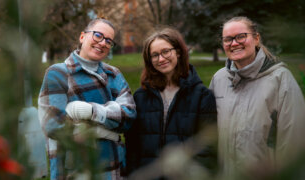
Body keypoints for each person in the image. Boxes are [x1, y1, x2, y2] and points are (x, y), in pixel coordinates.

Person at [38, 18, 136, 180]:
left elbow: (129, 116)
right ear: (82, 37)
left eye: (109, 41)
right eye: (98, 35)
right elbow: (53, 125)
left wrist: (90, 111)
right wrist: (108, 131)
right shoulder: (58, 73)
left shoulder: (114, 74)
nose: (103, 43)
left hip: (114, 169)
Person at [209, 16, 305, 176]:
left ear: (256, 38)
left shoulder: (280, 80)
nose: (234, 43)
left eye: (241, 36)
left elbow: (293, 142)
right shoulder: (218, 79)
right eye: (228, 39)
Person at [125, 27, 218, 176]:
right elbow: (132, 145)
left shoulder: (202, 96)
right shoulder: (141, 96)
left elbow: (208, 147)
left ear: (179, 52)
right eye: (154, 55)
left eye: (165, 51)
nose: (161, 59)